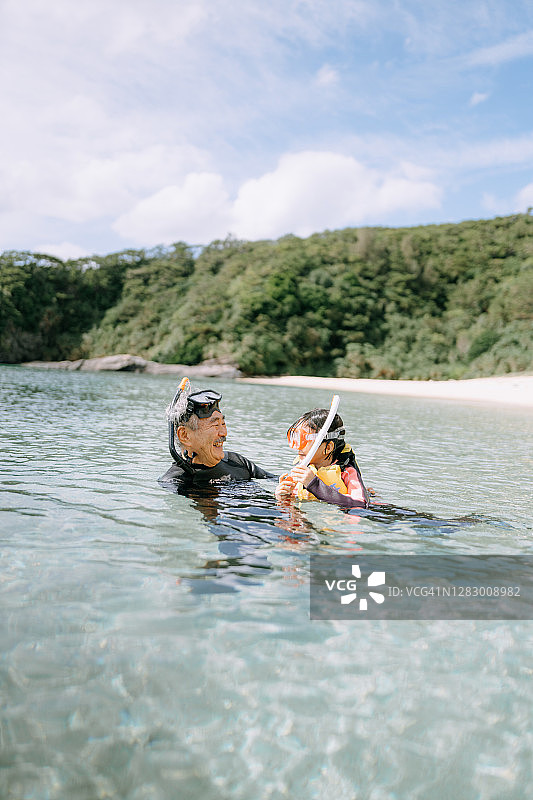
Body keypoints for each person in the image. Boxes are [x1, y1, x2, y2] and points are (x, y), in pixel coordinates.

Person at [159, 377, 274, 487]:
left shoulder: (236, 461)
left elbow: (276, 480)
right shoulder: (175, 482)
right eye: (215, 425)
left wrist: (282, 490)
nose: (224, 433)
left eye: (223, 424)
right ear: (185, 435)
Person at [275, 407, 369, 509]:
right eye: (297, 438)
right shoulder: (304, 471)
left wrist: (314, 484)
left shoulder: (347, 473)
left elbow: (361, 504)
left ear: (328, 448)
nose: (298, 446)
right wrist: (284, 496)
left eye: (304, 439)